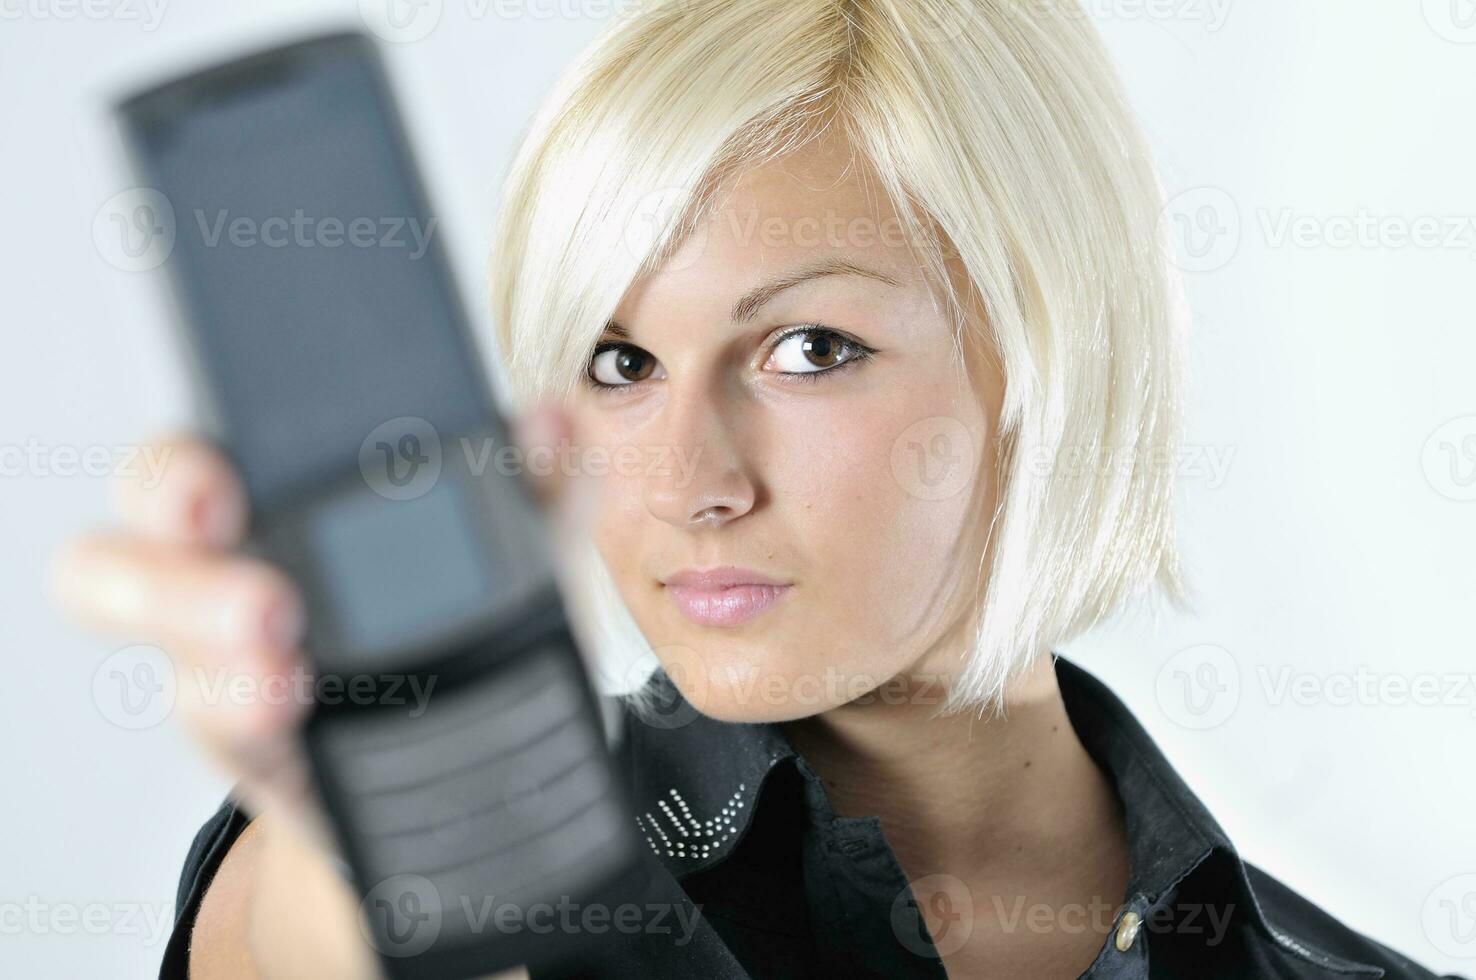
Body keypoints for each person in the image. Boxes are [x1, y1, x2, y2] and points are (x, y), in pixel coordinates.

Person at [52, 0, 1459, 977]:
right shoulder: (505, 865)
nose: (685, 482)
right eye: (618, 362)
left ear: (1046, 352)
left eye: (806, 348)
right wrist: (362, 843)